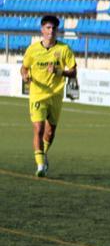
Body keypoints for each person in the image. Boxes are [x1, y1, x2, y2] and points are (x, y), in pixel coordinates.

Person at [20, 15, 76, 178]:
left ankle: (43, 156)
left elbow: (73, 71)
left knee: (50, 132)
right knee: (38, 128)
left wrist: (59, 71)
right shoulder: (33, 49)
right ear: (42, 30)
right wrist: (24, 75)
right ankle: (40, 165)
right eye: (48, 28)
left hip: (56, 95)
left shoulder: (64, 49)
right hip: (37, 94)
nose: (51, 31)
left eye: (54, 28)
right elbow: (24, 68)